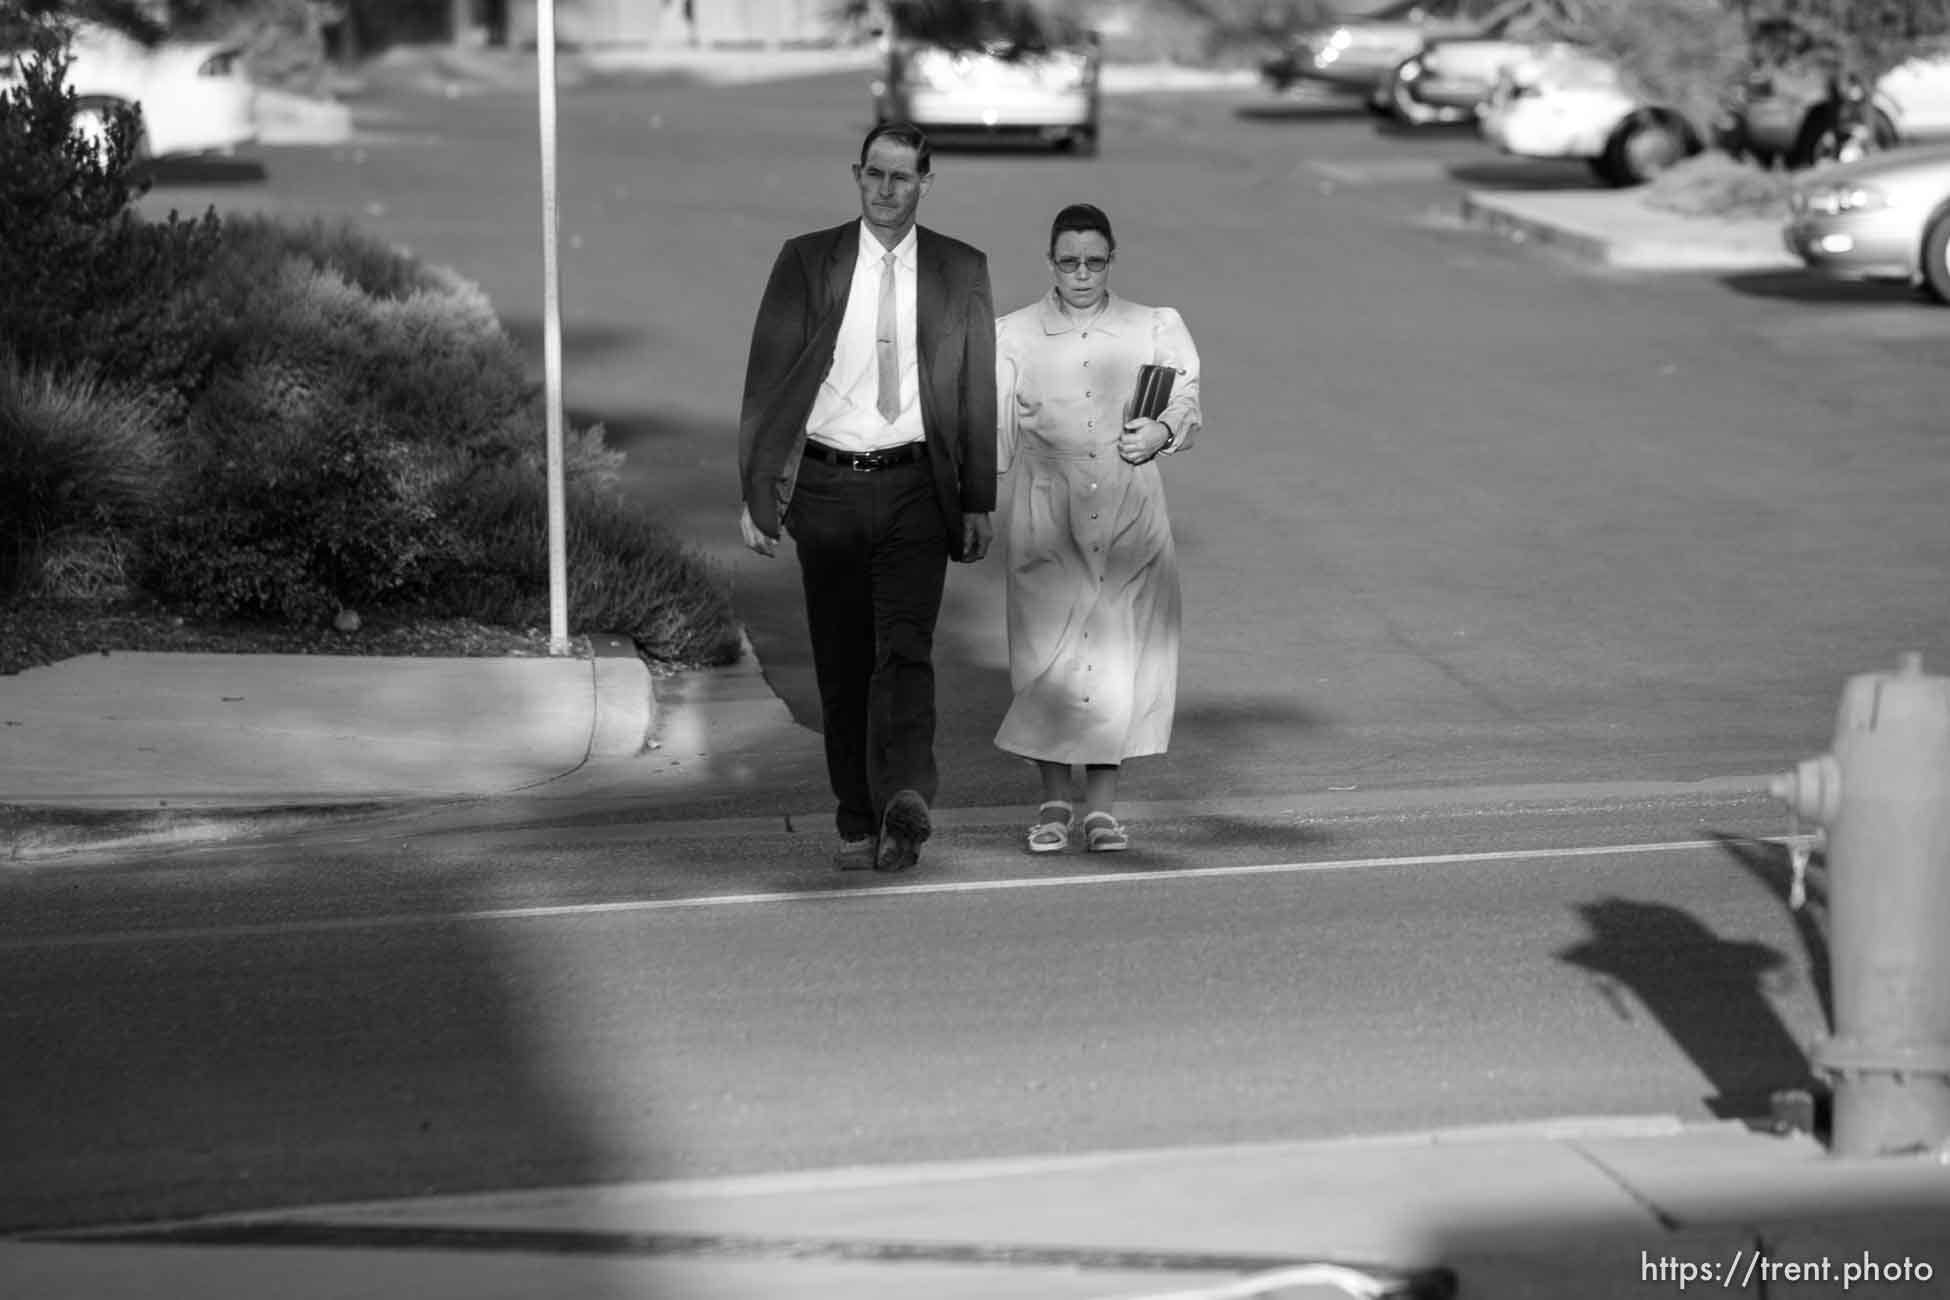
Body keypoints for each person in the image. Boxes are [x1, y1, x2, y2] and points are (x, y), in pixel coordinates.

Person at [737, 122, 997, 874]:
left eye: (902, 178)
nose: (886, 192)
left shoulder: (961, 268)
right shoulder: (808, 261)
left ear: (926, 183)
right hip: (827, 485)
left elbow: (976, 389)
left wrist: (975, 496)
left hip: (919, 484)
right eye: (874, 176)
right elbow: (769, 381)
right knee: (844, 663)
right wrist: (758, 492)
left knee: (906, 652)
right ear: (857, 177)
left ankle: (905, 801)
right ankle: (857, 812)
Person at [993, 203, 1201, 854]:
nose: (1081, 274)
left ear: (1112, 260)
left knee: (1117, 654)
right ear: (1050, 262)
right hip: (1045, 504)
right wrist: (969, 503)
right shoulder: (1013, 335)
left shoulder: (1153, 327)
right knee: (1047, 655)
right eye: (1069, 261)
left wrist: (1161, 430)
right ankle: (1054, 799)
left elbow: (1187, 399)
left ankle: (1103, 808)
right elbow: (990, 433)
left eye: (1094, 261)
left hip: (1127, 502)